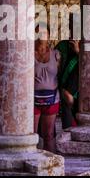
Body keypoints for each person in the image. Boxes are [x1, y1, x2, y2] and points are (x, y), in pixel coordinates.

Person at [34, 23, 61, 153]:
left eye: (44, 33)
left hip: (52, 98)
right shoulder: (28, 55)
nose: (41, 36)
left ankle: (50, 165)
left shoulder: (56, 55)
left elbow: (61, 75)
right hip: (32, 99)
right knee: (31, 135)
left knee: (49, 134)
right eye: (38, 33)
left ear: (49, 36)